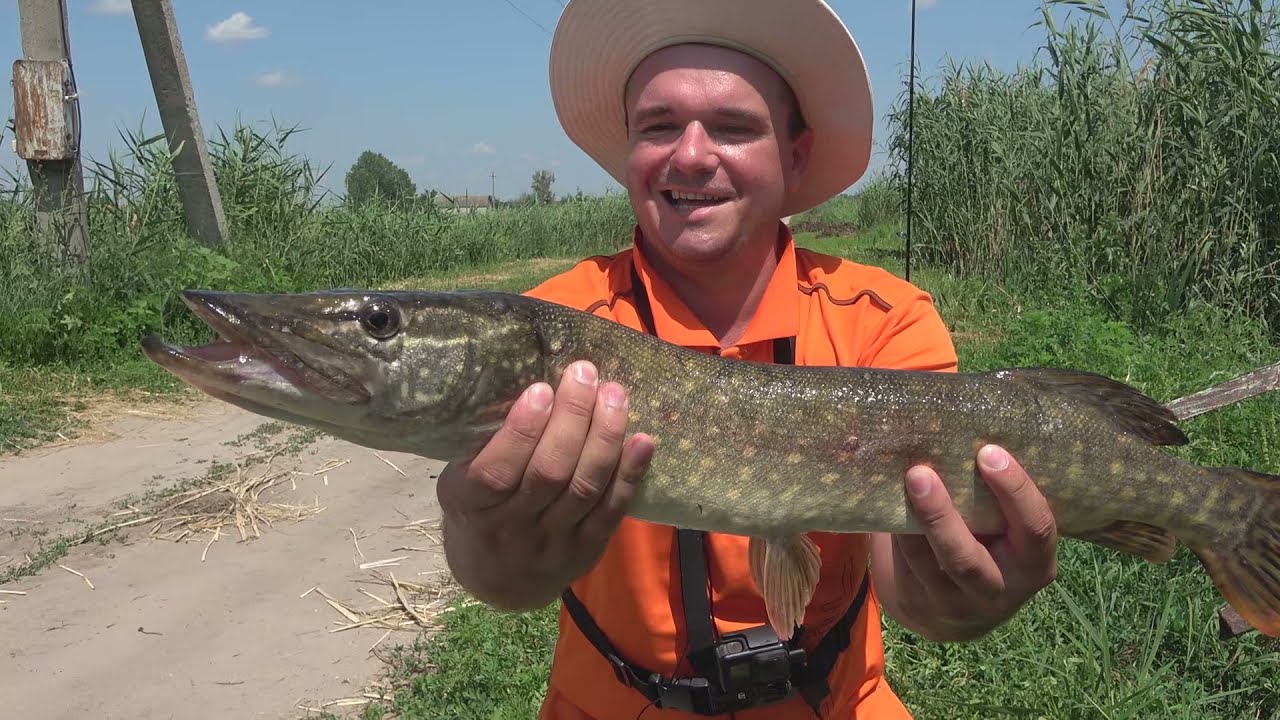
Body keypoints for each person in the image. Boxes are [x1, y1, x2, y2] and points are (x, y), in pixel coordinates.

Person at [436, 0, 1060, 717]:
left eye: (733, 127)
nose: (692, 153)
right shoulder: (555, 327)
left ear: (795, 157)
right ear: (630, 152)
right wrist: (492, 559)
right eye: (658, 125)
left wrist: (956, 602)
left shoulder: (886, 323)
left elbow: (912, 586)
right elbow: (500, 580)